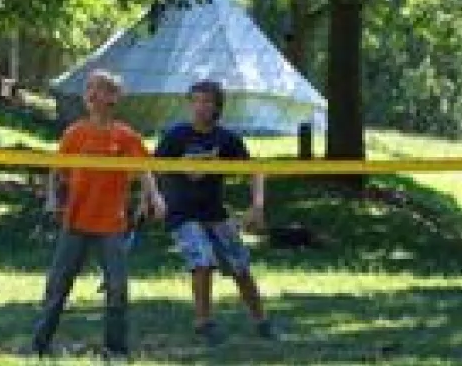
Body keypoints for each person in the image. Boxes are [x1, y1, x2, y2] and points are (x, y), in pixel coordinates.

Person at [27, 70, 165, 361]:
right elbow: (57, 170)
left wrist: (153, 197)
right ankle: (39, 345)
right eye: (88, 89)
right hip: (75, 222)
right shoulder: (74, 133)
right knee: (58, 286)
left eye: (98, 89)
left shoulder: (125, 136)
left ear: (113, 98)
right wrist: (52, 198)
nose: (90, 94)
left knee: (117, 288)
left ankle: (115, 349)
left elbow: (144, 169)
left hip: (111, 225)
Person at [154, 80, 280, 346]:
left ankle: (262, 321)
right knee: (202, 261)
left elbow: (255, 170)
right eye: (196, 100)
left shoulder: (227, 139)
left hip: (215, 214)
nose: (200, 107)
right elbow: (152, 168)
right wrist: (152, 199)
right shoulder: (176, 135)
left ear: (217, 107)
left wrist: (257, 206)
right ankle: (203, 323)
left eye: (207, 102)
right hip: (182, 214)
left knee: (240, 267)